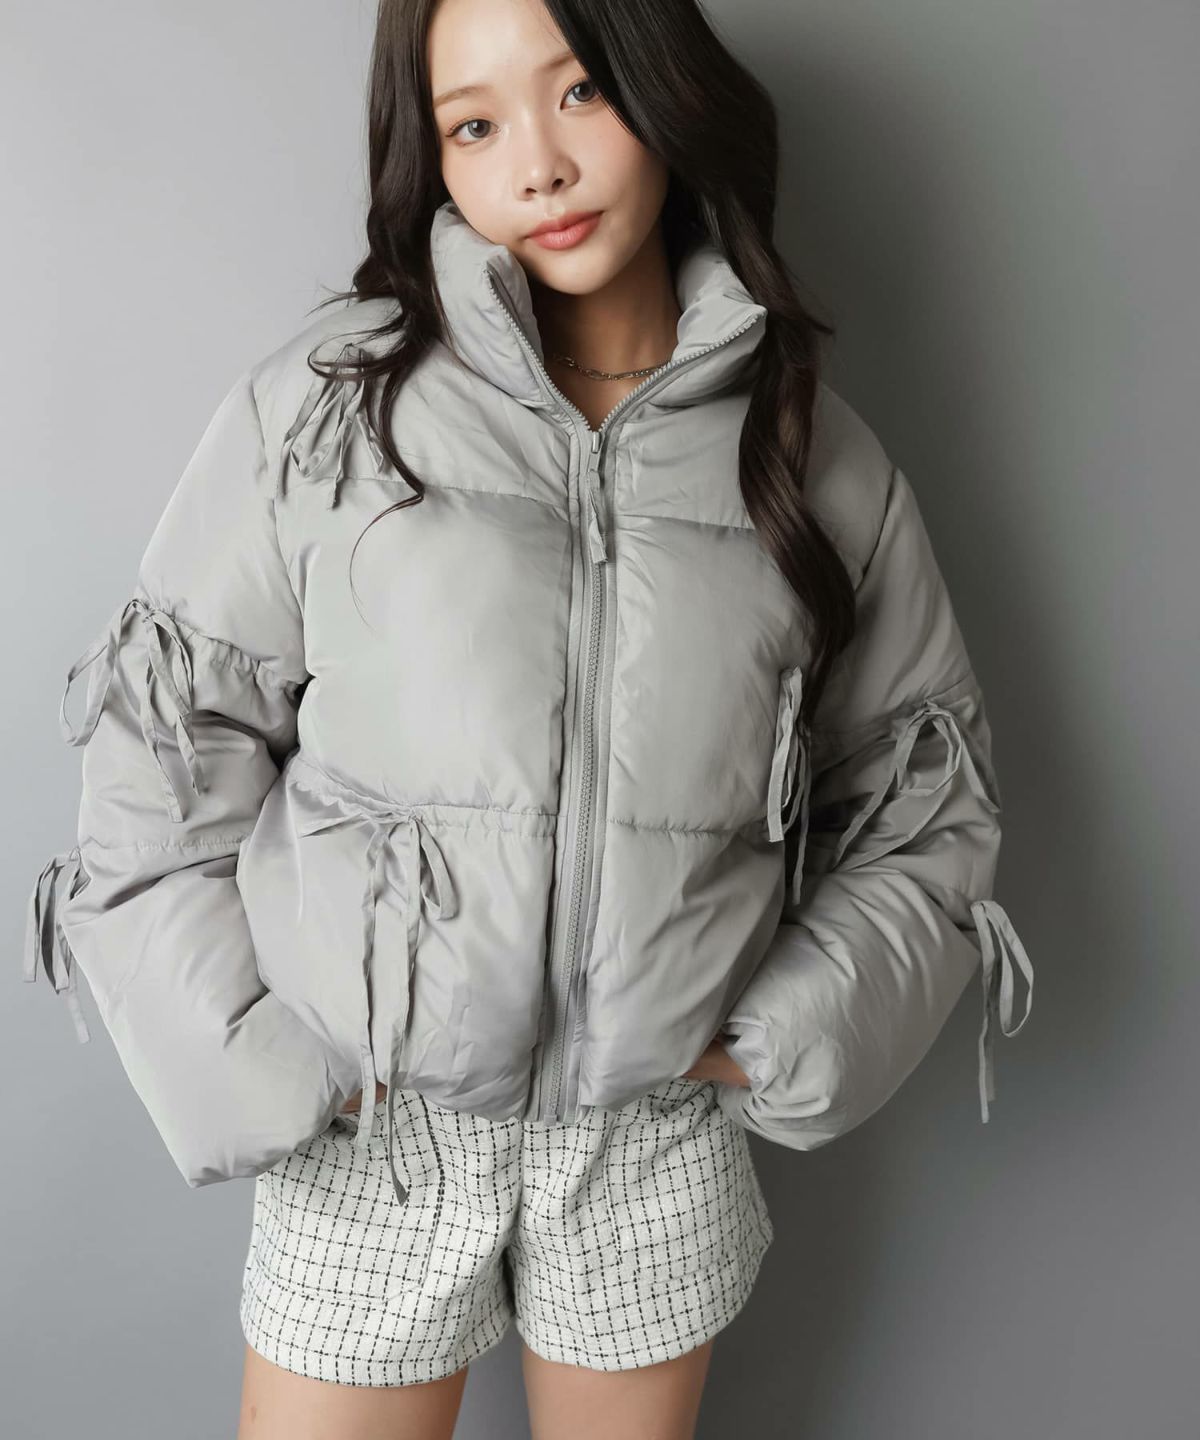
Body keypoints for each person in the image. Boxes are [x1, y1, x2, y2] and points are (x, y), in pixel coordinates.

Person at [25, 0, 1034, 1436]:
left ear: (663, 89)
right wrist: (255, 1062)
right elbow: (159, 748)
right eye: (476, 124)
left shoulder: (808, 457)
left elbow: (926, 812)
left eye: (581, 93)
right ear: (433, 155)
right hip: (374, 1138)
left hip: (645, 1150)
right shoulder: (332, 414)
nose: (539, 166)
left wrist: (766, 1038)